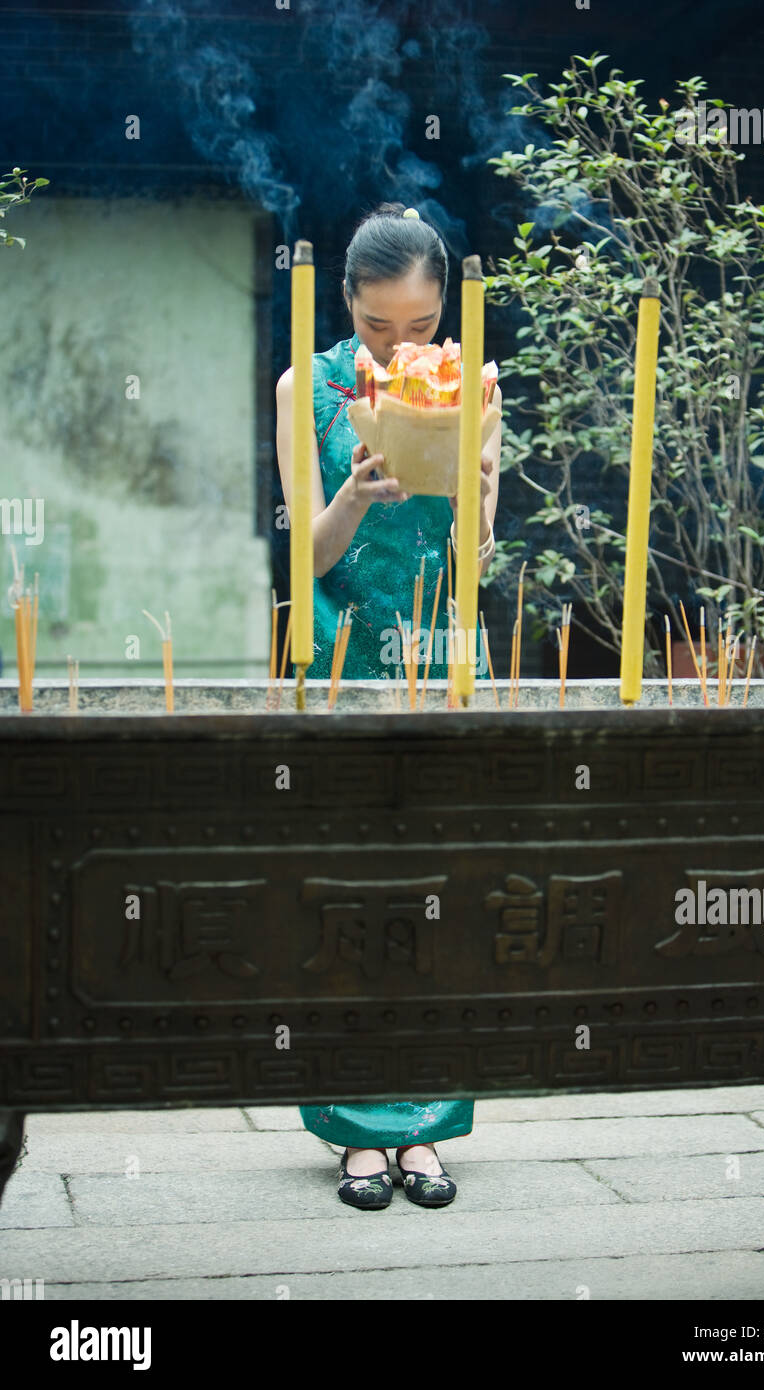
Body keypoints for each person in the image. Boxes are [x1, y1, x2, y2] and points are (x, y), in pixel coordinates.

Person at [275, 202, 502, 1209]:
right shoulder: (305, 386)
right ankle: (356, 1131)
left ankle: (429, 1128)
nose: (401, 347)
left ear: (443, 309)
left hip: (444, 648)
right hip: (342, 657)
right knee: (348, 893)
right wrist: (360, 491)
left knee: (445, 891)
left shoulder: (473, 380)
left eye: (419, 327)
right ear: (348, 305)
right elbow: (304, 558)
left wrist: (481, 477)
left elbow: (479, 561)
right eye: (378, 327)